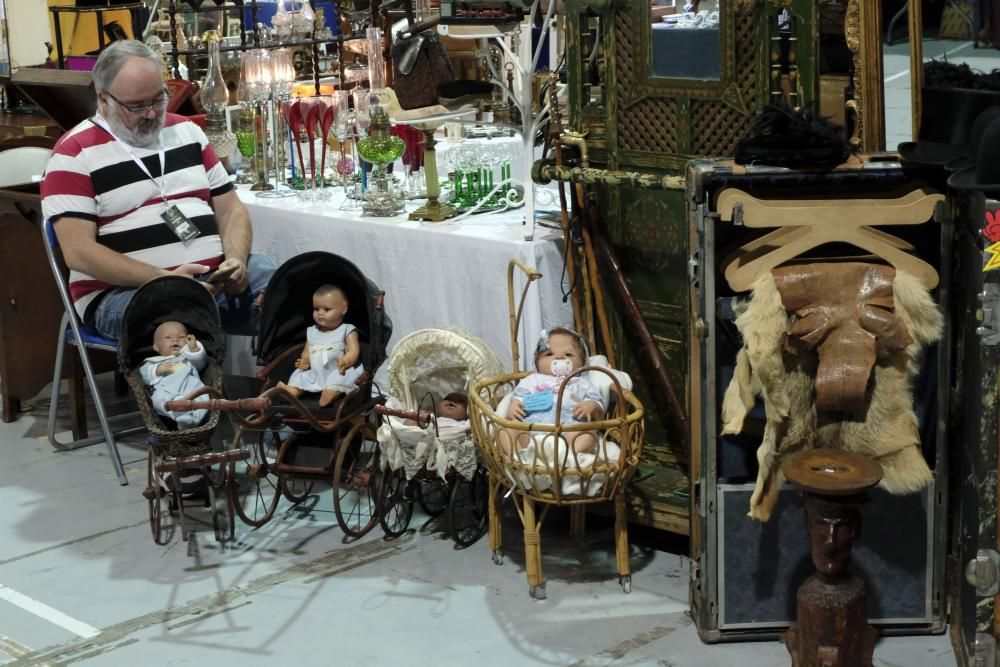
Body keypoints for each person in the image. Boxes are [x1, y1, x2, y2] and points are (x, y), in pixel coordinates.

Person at [40, 40, 275, 342]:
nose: (152, 114)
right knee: (174, 318)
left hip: (210, 279)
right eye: (137, 106)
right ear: (103, 99)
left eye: (159, 99)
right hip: (124, 293)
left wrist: (236, 260)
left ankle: (302, 384)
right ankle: (194, 390)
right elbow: (79, 253)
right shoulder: (72, 154)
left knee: (290, 291)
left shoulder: (187, 133)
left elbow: (230, 209)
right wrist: (163, 281)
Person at [499, 327, 604, 454]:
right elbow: (520, 394)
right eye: (549, 354)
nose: (559, 357)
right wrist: (515, 405)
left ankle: (567, 458)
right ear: (537, 362)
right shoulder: (534, 379)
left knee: (588, 434)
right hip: (531, 432)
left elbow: (597, 404)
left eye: (568, 354)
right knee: (505, 429)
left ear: (582, 364)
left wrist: (591, 406)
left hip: (569, 434)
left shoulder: (581, 382)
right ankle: (520, 458)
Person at [277, 284, 362, 407]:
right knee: (300, 376)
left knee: (339, 379)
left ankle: (330, 393)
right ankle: (292, 391)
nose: (320, 313)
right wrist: (305, 361)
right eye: (316, 309)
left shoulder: (347, 330)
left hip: (338, 370)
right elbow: (307, 350)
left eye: (327, 309)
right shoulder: (312, 331)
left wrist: (346, 360)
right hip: (316, 371)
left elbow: (354, 351)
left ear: (343, 309)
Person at [141, 321, 208, 429]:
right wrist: (157, 370)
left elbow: (201, 364)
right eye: (167, 338)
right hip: (167, 392)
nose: (175, 340)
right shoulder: (153, 362)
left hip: (190, 388)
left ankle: (193, 420)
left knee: (203, 397)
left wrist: (194, 349)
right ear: (156, 347)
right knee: (157, 399)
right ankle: (180, 416)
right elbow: (144, 376)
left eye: (181, 337)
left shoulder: (186, 358)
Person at [404, 392, 469, 427]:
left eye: (459, 402)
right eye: (448, 399)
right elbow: (409, 429)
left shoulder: (466, 423)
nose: (452, 402)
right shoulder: (430, 419)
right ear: (437, 406)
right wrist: (417, 417)